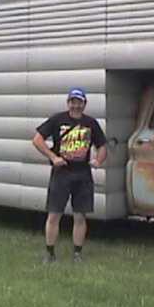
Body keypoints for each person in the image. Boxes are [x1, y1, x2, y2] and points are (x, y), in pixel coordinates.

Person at [32, 88, 107, 263]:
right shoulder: (58, 119)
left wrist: (98, 160)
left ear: (84, 104)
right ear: (68, 103)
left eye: (79, 102)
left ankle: (77, 254)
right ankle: (50, 254)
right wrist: (53, 157)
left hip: (83, 174)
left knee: (80, 216)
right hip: (61, 173)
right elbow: (37, 140)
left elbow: (102, 145)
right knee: (54, 214)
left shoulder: (91, 123)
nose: (76, 106)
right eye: (73, 102)